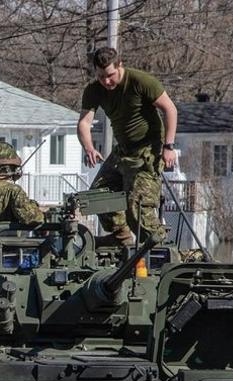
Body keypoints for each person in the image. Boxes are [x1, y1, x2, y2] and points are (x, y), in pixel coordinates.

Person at [76, 47, 177, 246]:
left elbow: (170, 109)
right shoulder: (94, 90)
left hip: (147, 150)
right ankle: (121, 238)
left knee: (137, 207)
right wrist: (88, 147)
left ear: (120, 65)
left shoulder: (140, 82)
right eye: (100, 76)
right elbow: (84, 123)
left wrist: (169, 146)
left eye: (110, 75)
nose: (106, 81)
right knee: (96, 196)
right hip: (123, 150)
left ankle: (159, 250)